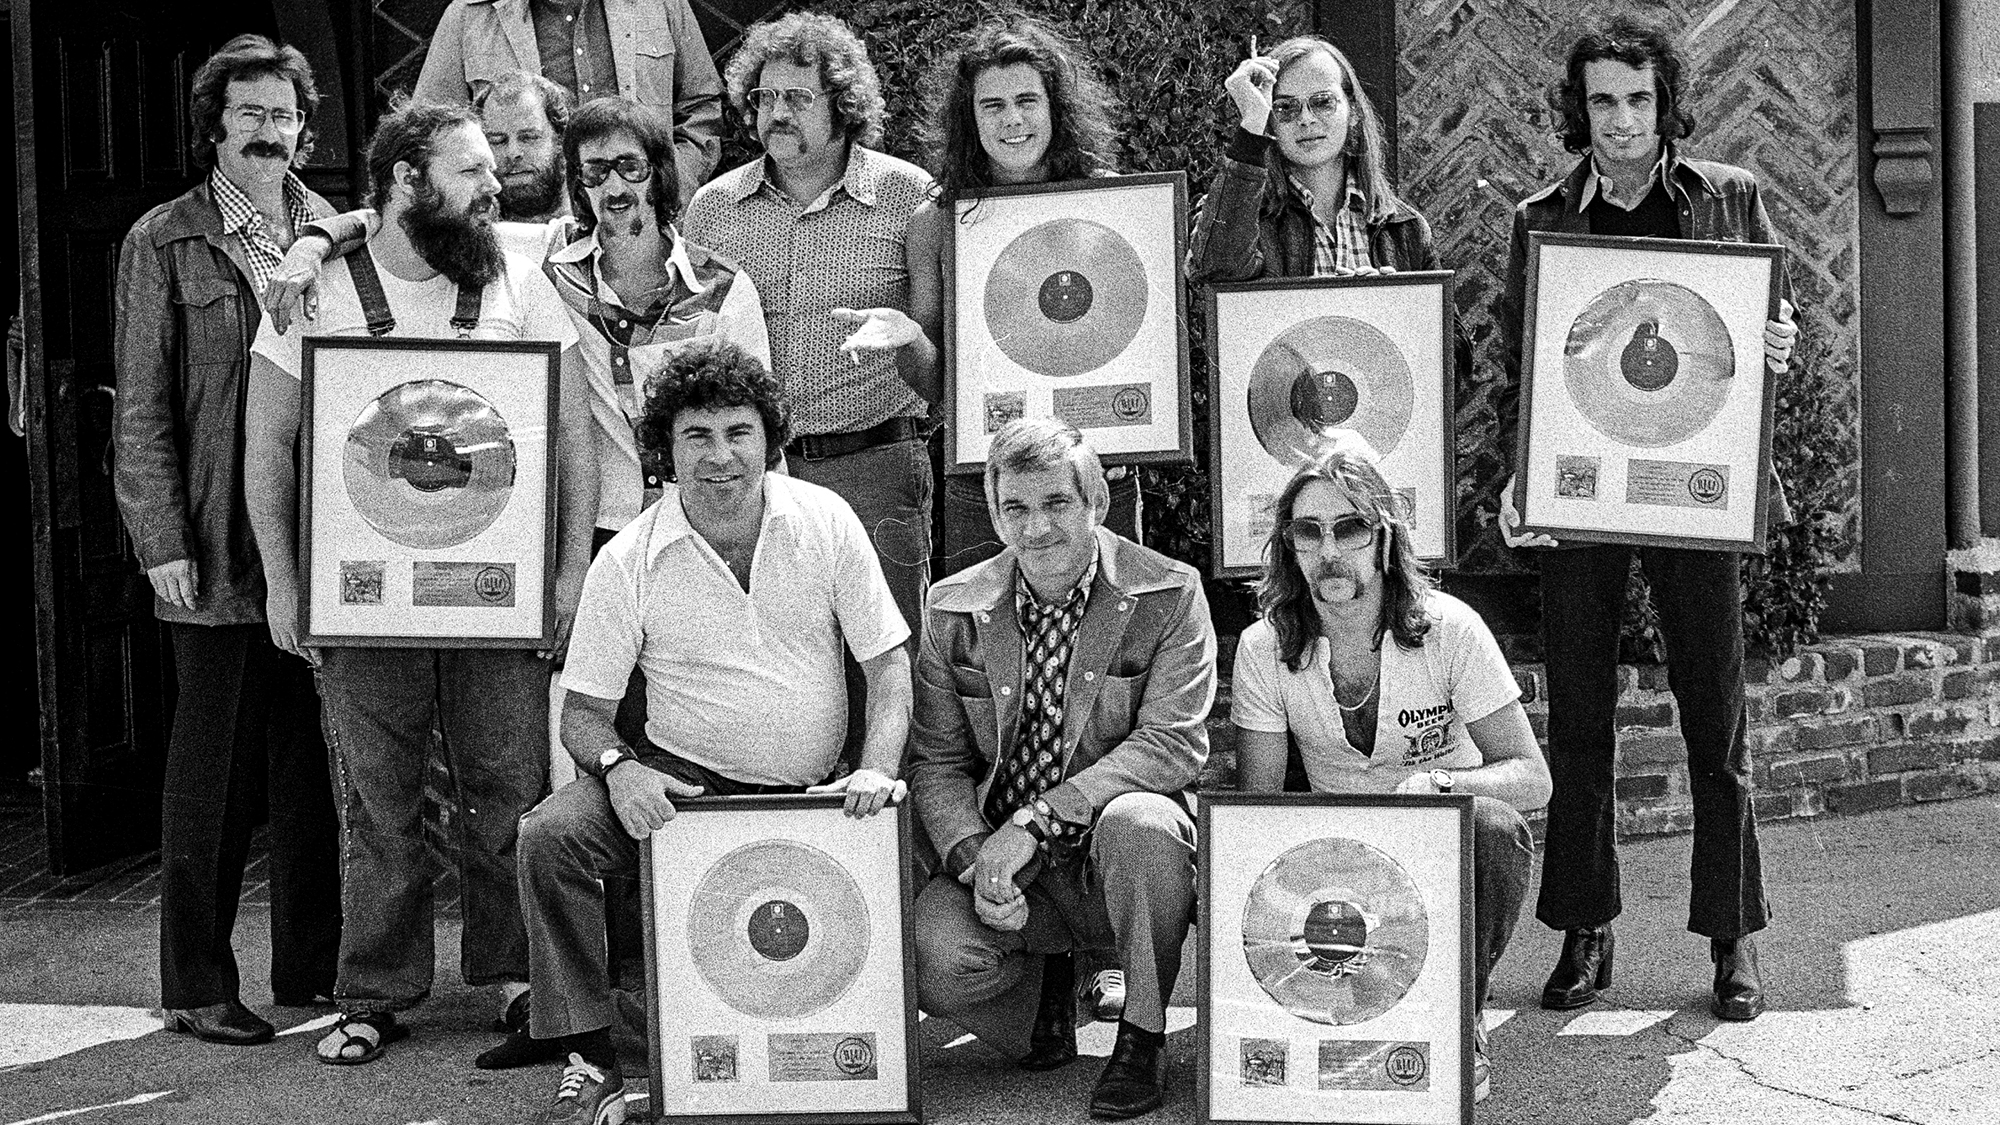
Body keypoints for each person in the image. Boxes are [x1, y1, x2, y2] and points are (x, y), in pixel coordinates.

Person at [240, 98, 597, 1066]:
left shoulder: (519, 273)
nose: (493, 186)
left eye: (491, 169)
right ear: (406, 176)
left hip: (498, 588)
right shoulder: (318, 294)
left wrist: (567, 575)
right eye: (469, 170)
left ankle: (515, 978)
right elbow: (267, 443)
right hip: (361, 596)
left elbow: (569, 437)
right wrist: (281, 580)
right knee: (376, 799)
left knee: (508, 791)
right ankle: (375, 989)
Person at [514, 338, 911, 1125]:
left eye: (739, 432)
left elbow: (890, 669)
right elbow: (581, 713)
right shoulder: (626, 559)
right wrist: (619, 768)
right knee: (548, 836)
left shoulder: (826, 519)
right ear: (664, 450)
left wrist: (874, 768)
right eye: (697, 436)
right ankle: (591, 1058)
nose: (720, 455)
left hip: (817, 794)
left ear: (770, 440)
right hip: (683, 790)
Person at [1493, 17, 1799, 1023]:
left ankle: (1731, 938)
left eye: (1635, 98)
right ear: (1576, 110)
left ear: (1663, 101)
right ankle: (1586, 930)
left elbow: (1756, 343)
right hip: (1580, 491)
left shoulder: (1729, 197)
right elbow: (1520, 367)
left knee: (1714, 718)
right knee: (1577, 719)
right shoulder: (1540, 214)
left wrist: (1775, 346)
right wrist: (1514, 478)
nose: (1618, 120)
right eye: (1599, 101)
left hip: (1691, 489)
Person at [111, 33, 341, 1047]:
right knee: (211, 775)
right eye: (248, 113)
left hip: (315, 537)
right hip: (209, 540)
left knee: (309, 766)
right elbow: (141, 406)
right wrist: (157, 534)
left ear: (303, 127)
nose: (266, 131)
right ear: (215, 126)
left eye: (281, 114)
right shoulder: (163, 239)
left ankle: (313, 968)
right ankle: (197, 984)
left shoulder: (329, 230)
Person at [907, 419, 1216, 1121]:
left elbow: (1171, 745)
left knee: (1142, 819)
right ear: (993, 510)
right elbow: (938, 761)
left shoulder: (1169, 593)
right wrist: (973, 857)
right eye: (1015, 507)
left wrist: (1036, 820)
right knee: (929, 950)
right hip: (1012, 861)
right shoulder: (953, 606)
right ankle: (1045, 994)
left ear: (1096, 502)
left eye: (1056, 503)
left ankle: (1141, 1033)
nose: (1036, 527)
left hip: (1116, 854)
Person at [1228, 435, 1549, 1102]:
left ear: (1382, 537)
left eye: (1350, 527)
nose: (1330, 550)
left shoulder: (1449, 628)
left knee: (1492, 826)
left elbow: (1531, 777)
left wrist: (1438, 785)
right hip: (1336, 856)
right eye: (1309, 531)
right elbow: (1257, 811)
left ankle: (1464, 1012)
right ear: (1289, 544)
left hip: (1441, 848)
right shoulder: (1264, 647)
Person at [681, 12, 939, 638]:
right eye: (765, 97)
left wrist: (908, 335)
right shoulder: (712, 209)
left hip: (874, 466)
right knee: (767, 664)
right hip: (753, 477)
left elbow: (939, 365)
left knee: (886, 661)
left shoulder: (911, 198)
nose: (776, 113)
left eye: (798, 98)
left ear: (843, 104)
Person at [908, 17, 1143, 580]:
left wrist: (1131, 431)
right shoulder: (937, 222)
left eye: (1026, 100)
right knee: (987, 649)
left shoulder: (1113, 202)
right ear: (969, 117)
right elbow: (937, 386)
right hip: (984, 478)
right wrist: (905, 341)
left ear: (1054, 107)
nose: (1012, 119)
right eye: (991, 105)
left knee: (1110, 636)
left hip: (1097, 468)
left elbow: (1141, 335)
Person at [1186, 34, 1441, 284]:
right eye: (1285, 107)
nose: (1306, 119)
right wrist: (1253, 122)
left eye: (1323, 102)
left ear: (1353, 111)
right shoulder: (1241, 215)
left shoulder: (1406, 228)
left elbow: (1445, 326)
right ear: (1271, 122)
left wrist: (1396, 304)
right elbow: (1215, 271)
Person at [413, 0, 723, 203]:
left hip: (643, 225)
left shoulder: (661, 4)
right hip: (524, 240)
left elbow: (702, 106)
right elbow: (430, 135)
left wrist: (671, 184)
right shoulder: (470, 14)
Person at [476, 70, 574, 224]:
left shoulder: (599, 223)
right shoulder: (470, 230)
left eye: (529, 138)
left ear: (561, 141)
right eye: (498, 141)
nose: (513, 152)